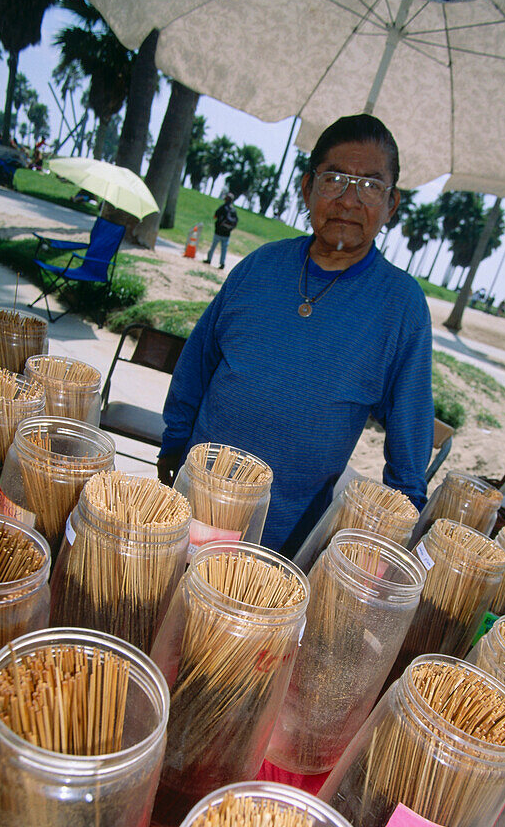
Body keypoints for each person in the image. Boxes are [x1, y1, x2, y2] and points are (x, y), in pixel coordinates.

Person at [159, 114, 433, 555]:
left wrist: (395, 531)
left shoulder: (401, 306)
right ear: (307, 188)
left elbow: (409, 440)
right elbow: (198, 364)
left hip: (283, 539)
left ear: (391, 204)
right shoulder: (260, 265)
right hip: (191, 503)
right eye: (335, 179)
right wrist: (172, 447)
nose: (348, 199)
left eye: (370, 186)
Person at [204, 193, 238, 269]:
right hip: (227, 234)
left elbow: (215, 216)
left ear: (226, 199)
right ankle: (222, 263)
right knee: (224, 250)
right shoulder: (233, 210)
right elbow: (235, 222)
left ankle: (209, 259)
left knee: (213, 247)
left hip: (218, 232)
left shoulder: (222, 208)